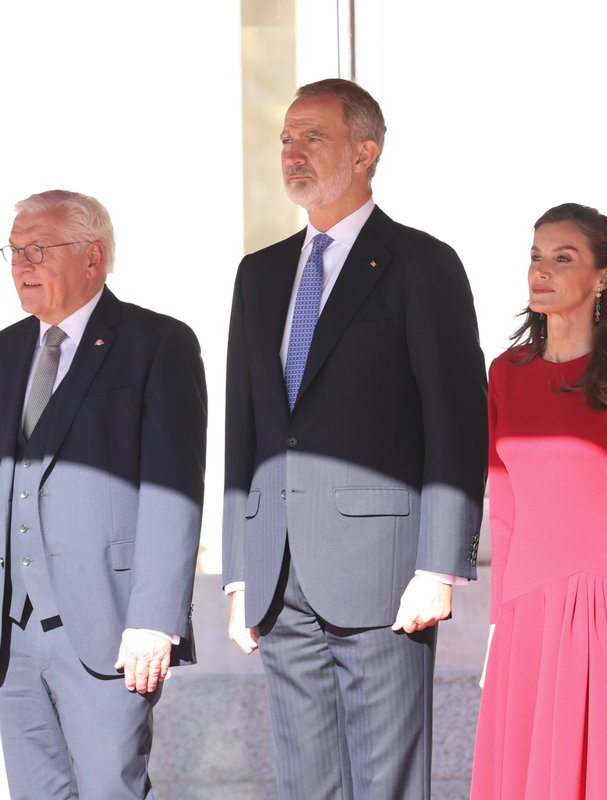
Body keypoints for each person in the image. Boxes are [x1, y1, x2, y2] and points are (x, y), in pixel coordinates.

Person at [222, 78, 488, 799]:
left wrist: (440, 566)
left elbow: (456, 422)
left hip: (384, 574)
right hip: (279, 574)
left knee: (386, 782)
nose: (292, 153)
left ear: (365, 151)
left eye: (314, 137)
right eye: (286, 138)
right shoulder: (260, 274)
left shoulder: (422, 266)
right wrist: (242, 571)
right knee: (306, 781)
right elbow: (244, 431)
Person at [0, 190, 207, 799]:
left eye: (38, 249)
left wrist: (155, 620)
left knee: (111, 790)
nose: (21, 264)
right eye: (14, 250)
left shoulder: (158, 344)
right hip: (9, 636)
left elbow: (174, 491)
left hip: (110, 628)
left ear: (94, 258)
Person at [470, 203, 607, 798]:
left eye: (563, 258)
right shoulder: (505, 374)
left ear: (603, 278)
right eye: (536, 255)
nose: (541, 270)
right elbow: (506, 513)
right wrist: (495, 626)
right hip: (524, 612)